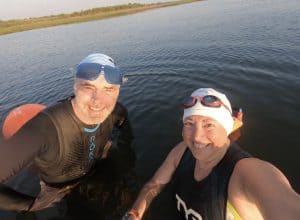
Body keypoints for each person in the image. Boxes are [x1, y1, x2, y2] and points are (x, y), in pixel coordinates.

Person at [122, 88, 300, 220]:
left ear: (227, 128)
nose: (196, 137)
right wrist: (135, 213)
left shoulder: (249, 172)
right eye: (189, 123)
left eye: (209, 125)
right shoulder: (182, 150)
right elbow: (154, 184)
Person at [0, 53, 134, 212]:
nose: (98, 100)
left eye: (108, 89)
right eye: (88, 87)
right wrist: (29, 204)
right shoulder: (45, 127)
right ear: (75, 87)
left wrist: (121, 152)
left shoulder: (117, 112)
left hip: (97, 166)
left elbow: (126, 131)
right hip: (59, 189)